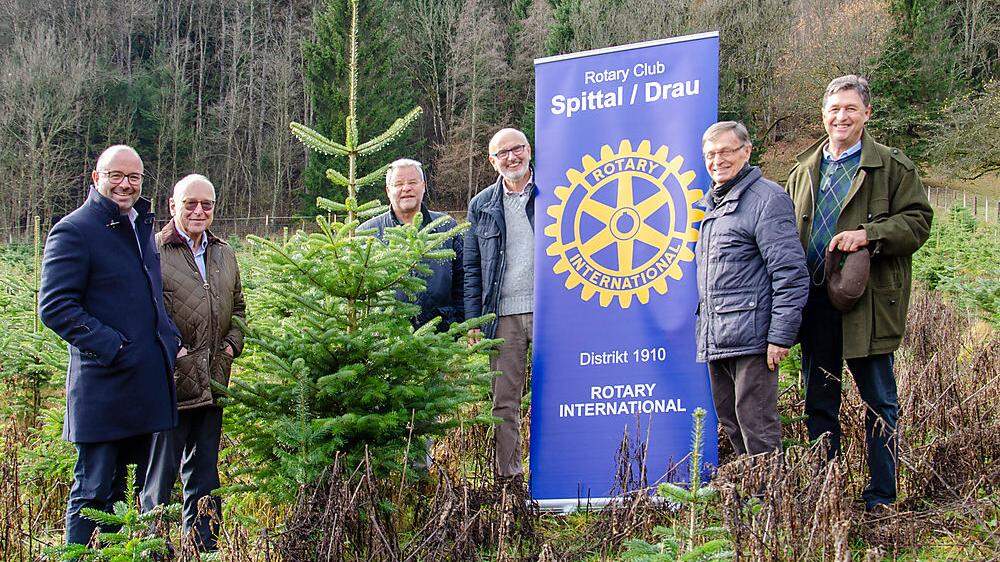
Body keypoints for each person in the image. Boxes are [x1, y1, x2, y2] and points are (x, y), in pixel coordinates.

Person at [786, 75, 933, 510]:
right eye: (834, 109)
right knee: (820, 405)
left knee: (879, 405)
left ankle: (881, 498)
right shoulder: (803, 170)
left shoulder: (892, 167)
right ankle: (823, 497)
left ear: (867, 113)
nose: (841, 117)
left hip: (866, 306)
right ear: (823, 115)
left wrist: (868, 235)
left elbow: (919, 222)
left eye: (850, 109)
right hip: (815, 307)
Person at [39, 145, 180, 545]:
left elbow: (150, 297)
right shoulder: (74, 229)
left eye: (134, 177)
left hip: (141, 385)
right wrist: (114, 346)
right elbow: (55, 306)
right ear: (96, 178)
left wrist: (167, 339)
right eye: (116, 175)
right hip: (102, 387)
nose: (125, 184)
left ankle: (116, 554)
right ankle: (77, 554)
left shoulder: (139, 228)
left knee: (123, 494)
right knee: (93, 489)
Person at [141, 174, 245, 551]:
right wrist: (173, 353)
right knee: (160, 482)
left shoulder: (224, 252)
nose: (199, 210)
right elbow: (144, 315)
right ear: (173, 206)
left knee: (205, 478)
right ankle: (153, 552)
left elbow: (238, 307)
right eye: (190, 203)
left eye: (207, 204)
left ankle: (204, 549)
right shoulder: (153, 252)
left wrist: (233, 345)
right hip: (168, 389)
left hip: (214, 385)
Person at [696, 121, 809, 456]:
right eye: (711, 154)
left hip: (754, 338)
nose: (718, 160)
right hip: (718, 337)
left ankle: (770, 503)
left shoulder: (767, 199)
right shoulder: (714, 204)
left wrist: (779, 336)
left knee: (756, 425)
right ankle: (750, 500)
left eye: (726, 151)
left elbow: (790, 273)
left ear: (746, 151)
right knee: (731, 423)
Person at [464, 128, 536, 479]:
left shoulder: (554, 193)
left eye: (517, 149)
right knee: (505, 402)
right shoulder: (481, 206)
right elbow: (472, 266)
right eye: (502, 153)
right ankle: (510, 480)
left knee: (560, 394)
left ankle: (558, 475)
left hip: (552, 312)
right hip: (503, 315)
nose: (511, 157)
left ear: (529, 149)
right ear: (492, 162)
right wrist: (474, 320)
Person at [360, 159, 464, 330]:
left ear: (423, 186)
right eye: (398, 184)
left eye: (412, 182)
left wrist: (460, 324)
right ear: (388, 191)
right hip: (385, 338)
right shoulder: (367, 233)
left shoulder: (446, 227)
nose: (406, 188)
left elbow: (463, 280)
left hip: (442, 336)